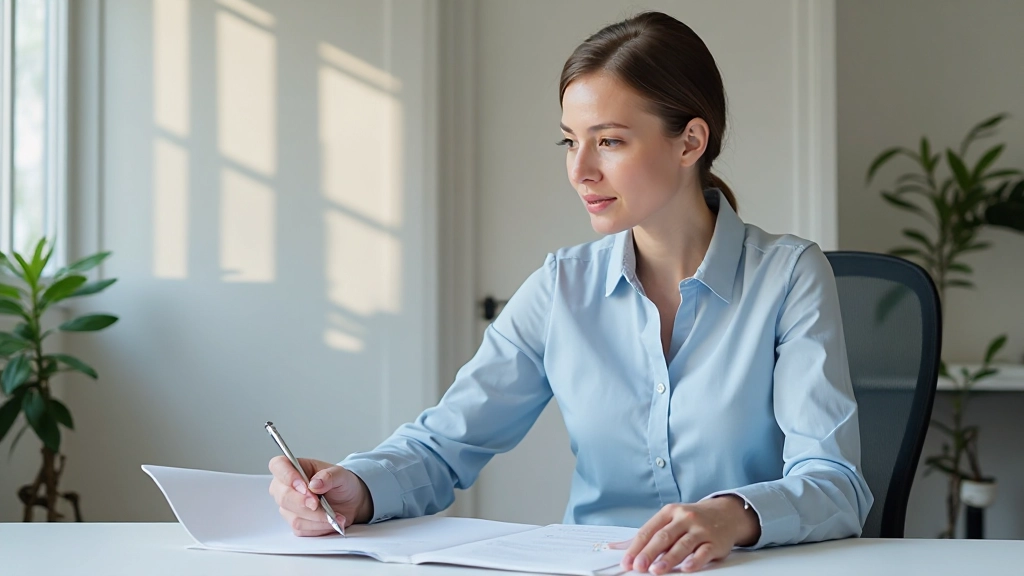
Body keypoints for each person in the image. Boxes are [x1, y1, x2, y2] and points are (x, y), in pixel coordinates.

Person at [269, 11, 872, 574]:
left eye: (609, 141)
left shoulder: (789, 276)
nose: (580, 170)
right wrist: (357, 488)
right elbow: (445, 443)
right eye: (569, 141)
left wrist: (730, 516)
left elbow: (835, 483)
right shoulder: (561, 286)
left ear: (690, 142)